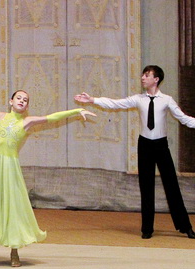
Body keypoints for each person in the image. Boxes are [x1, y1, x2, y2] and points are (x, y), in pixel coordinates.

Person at [0, 90, 95, 267]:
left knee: (13, 207)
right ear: (11, 101)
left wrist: (76, 111)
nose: (22, 101)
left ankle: (14, 251)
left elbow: (52, 117)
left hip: (10, 167)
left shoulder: (28, 121)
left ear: (27, 106)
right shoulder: (0, 116)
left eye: (25, 100)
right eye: (19, 98)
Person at [75, 65, 195, 239]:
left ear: (156, 79)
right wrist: (92, 100)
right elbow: (115, 103)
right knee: (146, 186)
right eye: (143, 75)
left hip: (161, 146)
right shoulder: (138, 99)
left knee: (172, 186)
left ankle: (185, 227)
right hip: (145, 145)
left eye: (147, 75)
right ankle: (147, 229)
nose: (143, 78)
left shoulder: (167, 100)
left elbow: (184, 119)